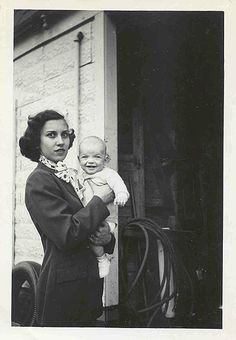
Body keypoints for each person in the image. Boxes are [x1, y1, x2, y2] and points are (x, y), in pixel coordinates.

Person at [19, 110, 116, 327]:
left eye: (65, 134)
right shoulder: (39, 181)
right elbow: (67, 234)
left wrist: (107, 238)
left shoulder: (71, 176)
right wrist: (100, 201)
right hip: (63, 293)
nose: (61, 141)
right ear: (37, 141)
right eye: (51, 135)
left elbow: (90, 226)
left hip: (88, 288)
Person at [78, 136, 130, 278]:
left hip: (107, 219)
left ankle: (102, 260)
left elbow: (119, 185)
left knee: (94, 234)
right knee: (90, 235)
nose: (90, 161)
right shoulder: (80, 176)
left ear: (105, 159)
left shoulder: (108, 174)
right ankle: (101, 259)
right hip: (92, 218)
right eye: (85, 157)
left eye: (97, 157)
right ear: (78, 159)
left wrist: (121, 195)